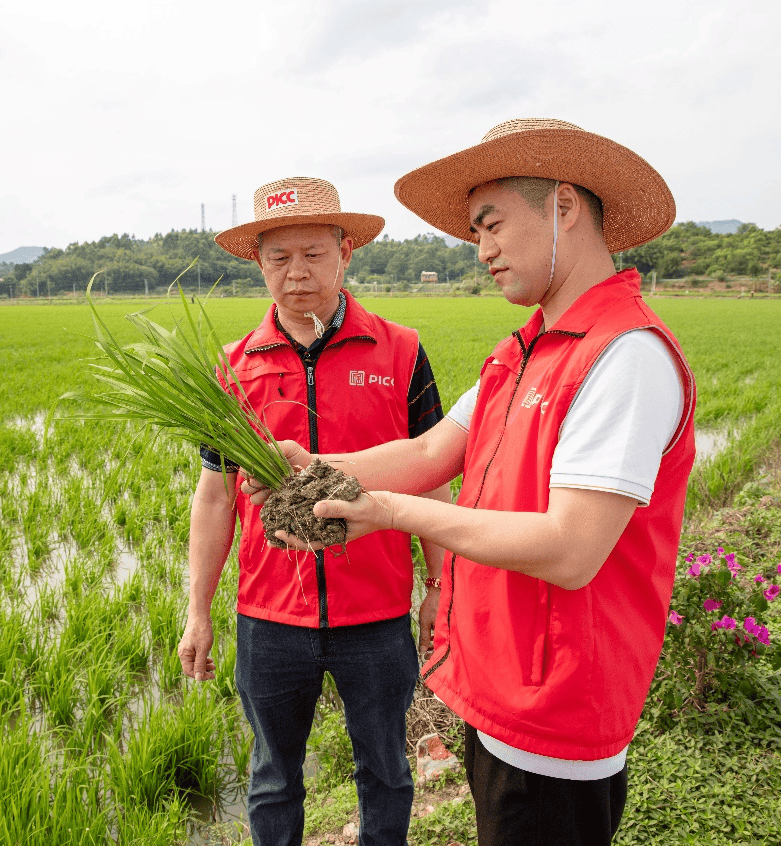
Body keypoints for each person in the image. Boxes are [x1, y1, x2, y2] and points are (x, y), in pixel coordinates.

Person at [251, 120, 697, 846]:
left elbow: (570, 548)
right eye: (474, 232)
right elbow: (430, 451)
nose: (481, 249)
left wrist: (390, 512)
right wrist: (308, 467)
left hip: (557, 712)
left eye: (491, 225)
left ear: (562, 206)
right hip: (501, 689)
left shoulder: (624, 356)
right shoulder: (521, 354)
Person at [176, 176, 450, 846]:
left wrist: (439, 585)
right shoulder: (233, 367)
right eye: (279, 257)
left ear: (345, 252)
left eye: (313, 254)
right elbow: (215, 494)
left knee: (385, 769)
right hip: (270, 617)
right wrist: (197, 610)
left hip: (376, 611)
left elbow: (431, 475)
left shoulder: (400, 350)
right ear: (258, 262)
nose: (296, 273)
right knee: (273, 776)